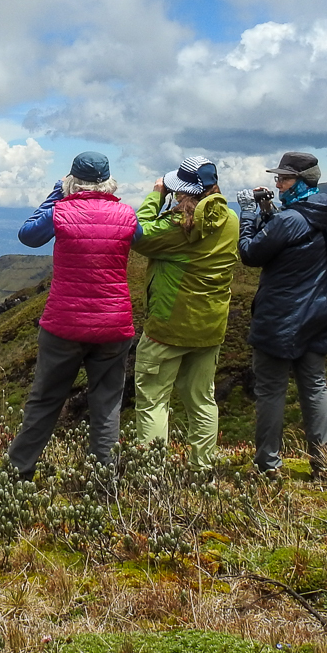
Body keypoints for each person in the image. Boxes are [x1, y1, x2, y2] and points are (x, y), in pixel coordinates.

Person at [7, 151, 142, 480]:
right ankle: (104, 480)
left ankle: (17, 472)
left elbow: (28, 235)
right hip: (114, 324)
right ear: (109, 182)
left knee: (45, 400)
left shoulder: (61, 212)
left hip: (64, 324)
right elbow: (140, 239)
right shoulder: (127, 215)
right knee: (107, 403)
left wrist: (55, 194)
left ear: (71, 179)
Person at [236, 151, 327, 478]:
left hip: (280, 319)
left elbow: (251, 253)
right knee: (314, 385)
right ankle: (326, 466)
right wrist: (271, 214)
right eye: (277, 179)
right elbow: (293, 243)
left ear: (302, 180)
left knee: (270, 390)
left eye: (284, 178)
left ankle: (269, 466)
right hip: (319, 314)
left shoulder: (289, 220)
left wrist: (248, 215)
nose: (278, 184)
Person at [129, 155, 239, 471]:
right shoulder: (231, 219)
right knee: (203, 401)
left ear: (182, 192)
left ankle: (152, 479)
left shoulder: (178, 227)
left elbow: (138, 233)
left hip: (168, 327)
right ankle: (203, 473)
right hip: (209, 327)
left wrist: (155, 196)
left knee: (153, 402)